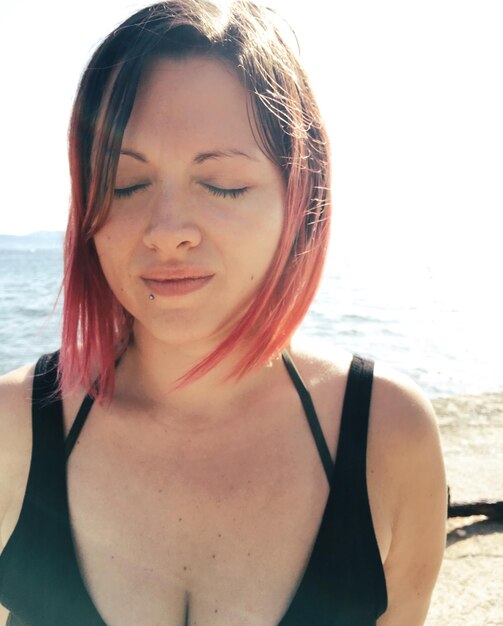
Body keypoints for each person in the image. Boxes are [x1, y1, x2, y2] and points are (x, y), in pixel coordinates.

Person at [0, 1, 447, 624]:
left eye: (224, 185)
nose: (166, 232)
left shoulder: (387, 436)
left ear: (300, 195)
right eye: (126, 184)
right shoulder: (10, 428)